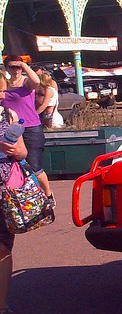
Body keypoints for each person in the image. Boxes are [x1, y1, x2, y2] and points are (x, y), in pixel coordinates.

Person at [2, 57, 52, 205]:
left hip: (31, 128)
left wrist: (23, 64)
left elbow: (36, 82)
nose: (16, 70)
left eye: (18, 67)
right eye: (12, 67)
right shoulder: (4, 85)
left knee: (34, 165)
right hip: (12, 129)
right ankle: (24, 200)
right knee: (13, 166)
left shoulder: (26, 83)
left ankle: (48, 194)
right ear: (6, 68)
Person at [0, 110, 29, 314]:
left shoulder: (10, 115)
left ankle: (1, 305)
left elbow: (22, 153)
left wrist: (14, 150)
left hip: (5, 192)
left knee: (3, 249)